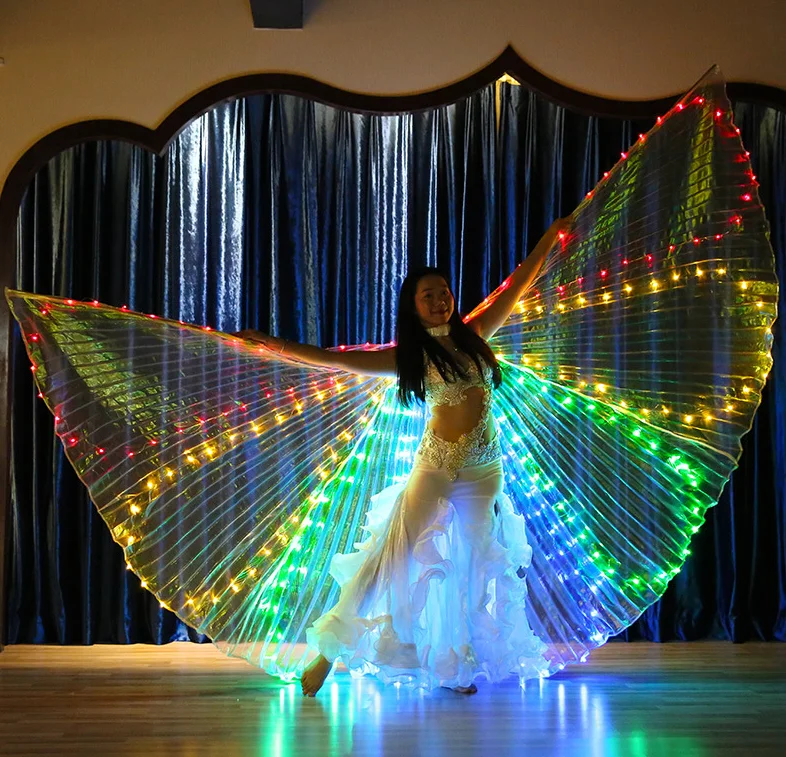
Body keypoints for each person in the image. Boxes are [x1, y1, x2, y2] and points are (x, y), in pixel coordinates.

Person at [235, 217, 571, 696]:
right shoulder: (409, 356)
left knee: (472, 568)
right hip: (435, 469)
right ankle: (327, 654)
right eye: (428, 295)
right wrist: (275, 346)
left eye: (444, 291)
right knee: (388, 558)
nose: (440, 300)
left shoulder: (477, 335)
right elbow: (333, 359)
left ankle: (453, 665)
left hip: (483, 472)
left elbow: (519, 284)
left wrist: (551, 235)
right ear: (413, 308)